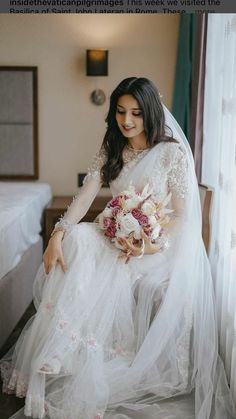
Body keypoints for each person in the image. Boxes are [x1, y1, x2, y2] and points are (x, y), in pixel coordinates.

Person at [0, 77, 235, 419]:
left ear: (150, 113)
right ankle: (63, 349)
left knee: (104, 261)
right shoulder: (113, 146)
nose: (127, 121)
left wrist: (146, 244)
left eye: (136, 113)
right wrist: (58, 234)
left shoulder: (171, 153)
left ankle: (78, 350)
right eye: (121, 112)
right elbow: (86, 196)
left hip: (158, 248)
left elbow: (184, 219)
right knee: (80, 237)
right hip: (117, 237)